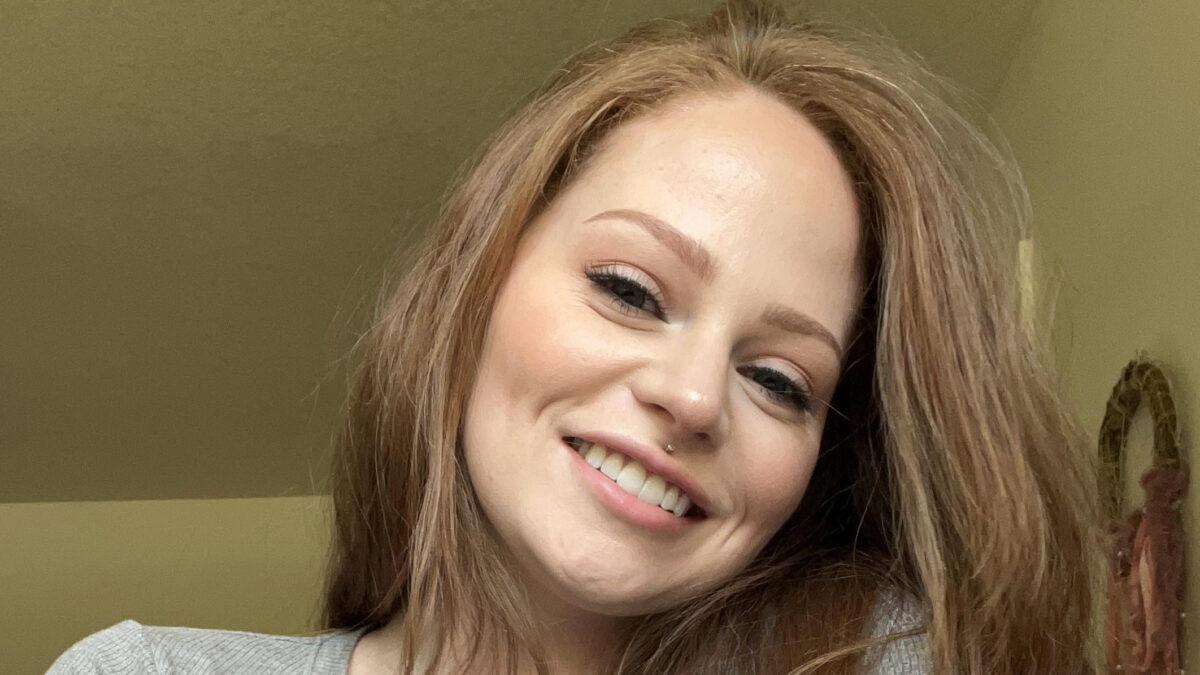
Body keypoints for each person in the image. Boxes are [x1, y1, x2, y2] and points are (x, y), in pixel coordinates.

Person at [49, 1, 1103, 673]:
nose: (694, 396)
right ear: (474, 285)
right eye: (629, 290)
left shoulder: (882, 656)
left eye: (782, 381)